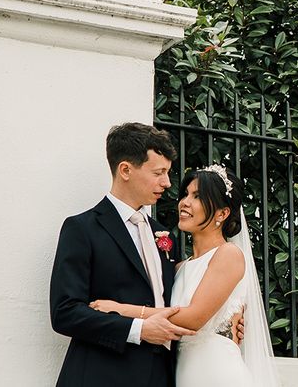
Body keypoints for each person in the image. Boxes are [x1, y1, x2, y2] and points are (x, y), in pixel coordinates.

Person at [91, 164, 281, 387]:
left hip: (218, 374)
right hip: (183, 374)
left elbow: (193, 319)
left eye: (198, 196)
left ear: (222, 213)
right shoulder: (180, 267)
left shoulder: (228, 254)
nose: (185, 202)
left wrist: (121, 310)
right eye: (186, 194)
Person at [49, 122, 195, 387]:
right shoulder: (82, 229)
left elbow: (181, 297)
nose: (167, 183)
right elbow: (65, 312)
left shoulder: (165, 235)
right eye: (158, 172)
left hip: (161, 375)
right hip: (101, 375)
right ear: (125, 170)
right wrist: (138, 330)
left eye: (168, 173)